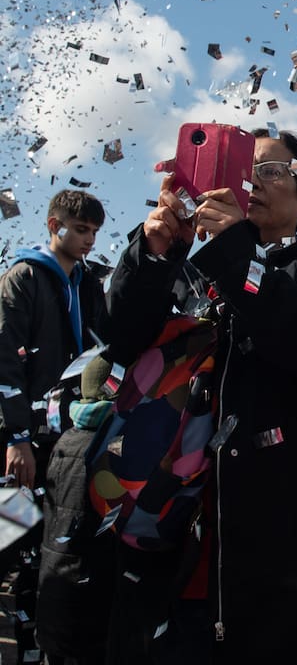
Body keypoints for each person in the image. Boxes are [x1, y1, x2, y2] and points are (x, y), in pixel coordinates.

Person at [102, 129, 297, 664]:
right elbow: (121, 342)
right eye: (244, 169)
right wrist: (152, 254)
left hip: (279, 564)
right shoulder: (193, 272)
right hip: (171, 546)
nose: (254, 182)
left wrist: (237, 257)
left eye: (271, 170)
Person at [0, 189, 108, 664]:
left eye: (93, 233)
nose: (87, 240)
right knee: (10, 538)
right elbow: (5, 361)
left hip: (68, 442)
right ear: (53, 224)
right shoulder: (23, 278)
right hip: (24, 443)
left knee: (51, 549)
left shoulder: (87, 284)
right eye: (79, 229)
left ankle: (31, 648)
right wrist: (16, 437)